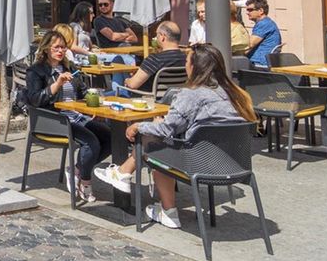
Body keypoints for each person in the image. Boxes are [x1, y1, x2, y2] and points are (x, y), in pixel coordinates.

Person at [93, 44, 258, 230]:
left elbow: (166, 130)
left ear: (195, 67)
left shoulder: (191, 94)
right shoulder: (236, 94)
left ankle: (167, 210)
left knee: (155, 144)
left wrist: (139, 126)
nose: (185, 65)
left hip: (200, 165)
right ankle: (123, 174)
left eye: (187, 61)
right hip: (233, 165)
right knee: (158, 138)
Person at [25, 30, 113, 204]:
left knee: (110, 137)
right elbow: (35, 100)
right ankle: (85, 181)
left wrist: (95, 102)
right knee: (91, 142)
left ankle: (77, 169)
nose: (60, 51)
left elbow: (82, 92)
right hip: (52, 119)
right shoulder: (36, 71)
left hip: (75, 116)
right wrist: (57, 84)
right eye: (56, 47)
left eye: (63, 47)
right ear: (46, 49)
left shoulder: (70, 67)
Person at [120, 21, 185, 95]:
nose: (156, 38)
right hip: (177, 98)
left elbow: (133, 85)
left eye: (157, 34)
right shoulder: (187, 59)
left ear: (162, 37)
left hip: (148, 99)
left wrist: (127, 80)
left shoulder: (155, 59)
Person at [245, 0, 281, 67]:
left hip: (260, 64)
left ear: (261, 11)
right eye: (247, 10)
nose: (247, 13)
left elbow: (249, 44)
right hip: (260, 63)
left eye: (250, 10)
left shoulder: (264, 24)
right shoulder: (266, 23)